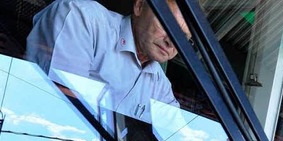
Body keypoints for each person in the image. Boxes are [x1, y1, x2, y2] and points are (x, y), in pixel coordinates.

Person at [25, 0, 192, 120]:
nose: (172, 42)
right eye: (167, 24)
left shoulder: (161, 86)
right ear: (139, 6)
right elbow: (64, 113)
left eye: (183, 38)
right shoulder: (83, 19)